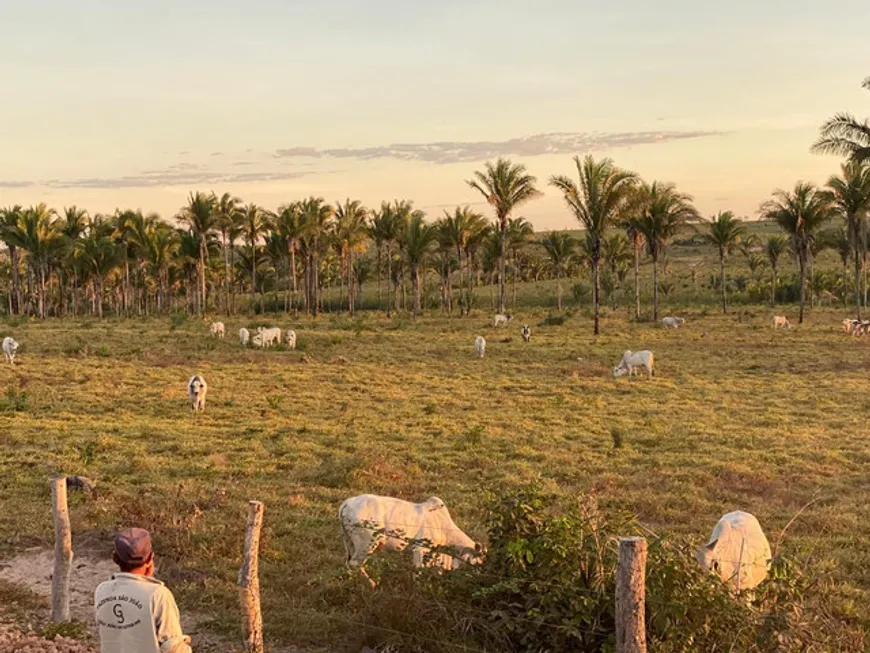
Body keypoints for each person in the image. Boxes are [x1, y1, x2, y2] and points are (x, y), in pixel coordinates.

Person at [94, 527, 192, 653]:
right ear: (151, 558)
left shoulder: (102, 591)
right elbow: (173, 647)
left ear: (115, 558)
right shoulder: (158, 594)